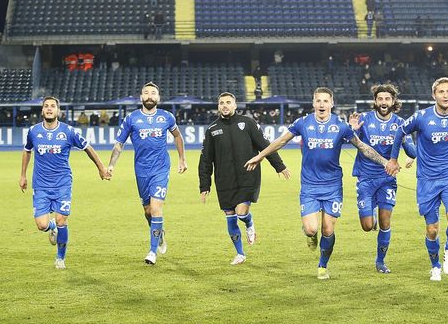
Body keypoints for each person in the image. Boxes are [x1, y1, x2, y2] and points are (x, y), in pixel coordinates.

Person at [244, 87, 395, 280]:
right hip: (309, 186)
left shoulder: (341, 126)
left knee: (328, 229)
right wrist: (259, 157)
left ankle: (323, 265)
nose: (322, 104)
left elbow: (363, 147)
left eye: (326, 101)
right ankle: (310, 236)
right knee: (311, 229)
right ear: (313, 103)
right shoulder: (303, 123)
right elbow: (280, 141)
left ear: (332, 104)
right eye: (319, 101)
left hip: (332, 186)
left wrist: (385, 162)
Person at [385, 78, 448, 282]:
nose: (446, 95)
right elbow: (401, 131)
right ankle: (435, 266)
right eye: (441, 92)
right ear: (434, 95)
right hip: (427, 180)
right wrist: (393, 159)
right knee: (432, 229)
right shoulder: (421, 117)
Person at [199, 92, 291, 265]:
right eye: (221, 103)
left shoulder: (248, 123)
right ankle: (240, 253)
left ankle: (249, 223)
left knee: (241, 212)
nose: (225, 105)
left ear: (235, 105)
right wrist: (205, 185)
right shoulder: (212, 130)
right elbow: (205, 160)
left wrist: (279, 165)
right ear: (218, 107)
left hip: (248, 176)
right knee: (230, 215)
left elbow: (265, 146)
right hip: (224, 180)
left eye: (228, 102)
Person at [19, 97, 109, 269]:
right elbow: (26, 151)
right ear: (42, 111)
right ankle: (50, 226)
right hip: (41, 185)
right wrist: (23, 175)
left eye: (53, 106)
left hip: (62, 184)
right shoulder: (33, 131)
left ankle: (60, 258)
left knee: (62, 220)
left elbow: (87, 148)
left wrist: (101, 168)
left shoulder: (68, 132)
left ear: (58, 111)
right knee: (42, 225)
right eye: (46, 106)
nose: (49, 109)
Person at [107, 82, 187, 265]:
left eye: (153, 93)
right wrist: (111, 165)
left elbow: (177, 136)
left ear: (158, 98)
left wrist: (182, 159)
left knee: (156, 207)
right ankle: (158, 234)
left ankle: (152, 252)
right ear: (141, 97)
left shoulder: (166, 117)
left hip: (160, 169)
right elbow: (119, 144)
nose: (150, 96)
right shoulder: (131, 119)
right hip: (141, 170)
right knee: (148, 210)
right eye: (146, 93)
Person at [347, 84, 416, 274]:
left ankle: (380, 262)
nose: (384, 102)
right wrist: (351, 130)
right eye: (380, 99)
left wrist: (404, 139)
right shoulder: (364, 120)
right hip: (365, 178)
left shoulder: (400, 124)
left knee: (386, 222)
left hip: (387, 179)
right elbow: (347, 140)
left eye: (387, 99)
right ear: (375, 101)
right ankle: (371, 216)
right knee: (367, 226)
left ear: (393, 102)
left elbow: (412, 151)